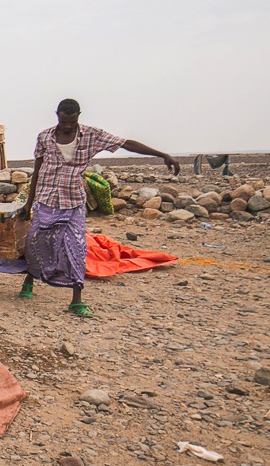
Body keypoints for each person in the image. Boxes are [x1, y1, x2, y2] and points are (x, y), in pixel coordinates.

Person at [20, 98, 180, 317]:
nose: (68, 126)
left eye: (72, 122)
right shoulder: (44, 137)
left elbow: (126, 144)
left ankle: (76, 301)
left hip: (73, 202)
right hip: (46, 200)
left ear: (78, 117)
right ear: (57, 115)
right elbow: (37, 170)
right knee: (36, 243)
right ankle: (29, 281)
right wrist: (28, 204)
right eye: (64, 121)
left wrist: (162, 155)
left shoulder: (92, 135)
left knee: (77, 247)